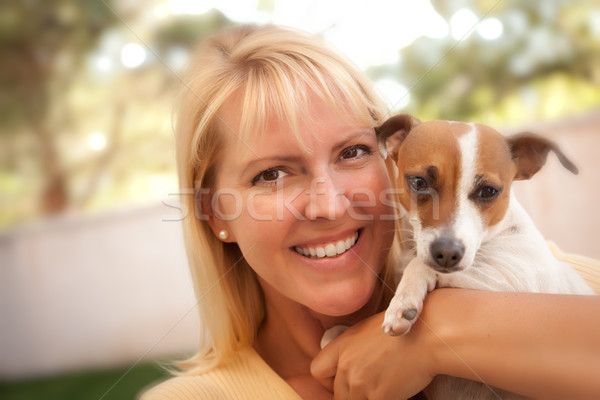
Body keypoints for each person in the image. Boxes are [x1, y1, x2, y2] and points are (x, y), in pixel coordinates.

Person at [141, 24, 600, 400]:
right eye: (271, 174)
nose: (330, 204)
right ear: (215, 213)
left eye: (353, 152)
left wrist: (438, 332)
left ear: (390, 157)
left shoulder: (560, 280)